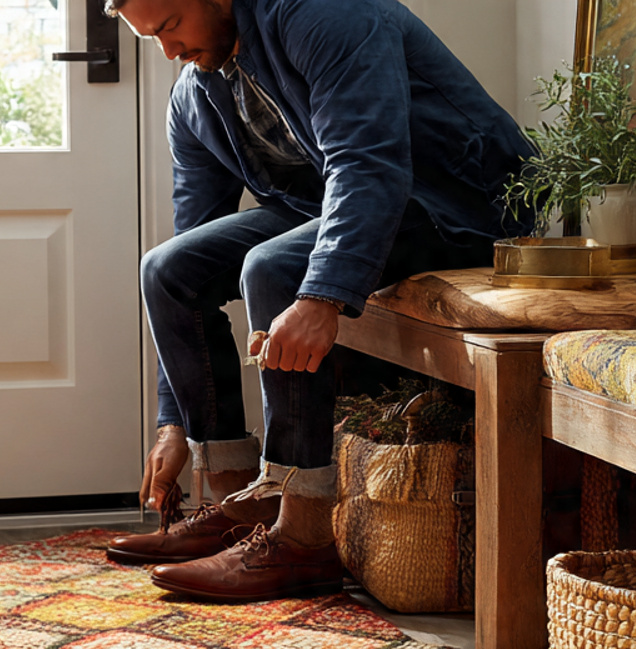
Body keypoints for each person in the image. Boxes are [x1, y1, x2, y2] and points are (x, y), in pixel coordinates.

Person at [104, 0, 532, 600]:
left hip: (457, 202)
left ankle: (303, 536)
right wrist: (171, 422)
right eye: (151, 36)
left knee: (273, 266)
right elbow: (193, 232)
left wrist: (321, 293)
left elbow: (369, 161)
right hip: (338, 206)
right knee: (170, 270)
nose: (168, 51)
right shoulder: (196, 93)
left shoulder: (325, 12)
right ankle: (242, 509)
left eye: (171, 26)